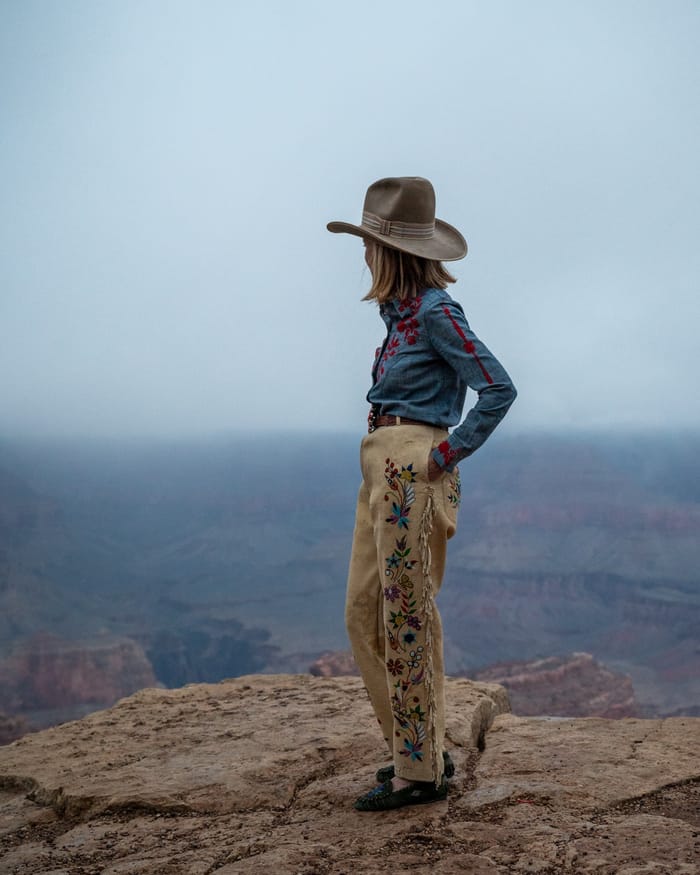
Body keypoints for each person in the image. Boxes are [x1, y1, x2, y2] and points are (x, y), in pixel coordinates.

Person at [327, 176, 517, 811]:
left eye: (369, 243)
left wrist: (445, 455)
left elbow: (498, 386)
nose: (364, 253)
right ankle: (421, 749)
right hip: (380, 465)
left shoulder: (436, 312)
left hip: (413, 469)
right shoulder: (399, 315)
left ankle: (420, 772)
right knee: (363, 613)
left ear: (390, 251)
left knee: (405, 615)